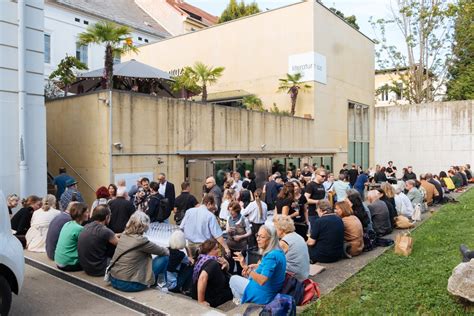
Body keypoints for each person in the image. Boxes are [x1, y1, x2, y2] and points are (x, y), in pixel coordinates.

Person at [110, 211, 169, 292]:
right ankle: (161, 284)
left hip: (113, 279)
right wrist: (168, 248)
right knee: (164, 258)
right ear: (144, 226)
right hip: (128, 285)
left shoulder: (123, 236)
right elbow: (164, 252)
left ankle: (159, 284)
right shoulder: (141, 241)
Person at [230, 225, 286, 305]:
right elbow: (271, 268)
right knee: (248, 274)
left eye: (262, 237)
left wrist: (246, 267)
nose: (257, 239)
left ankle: (241, 303)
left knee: (233, 279)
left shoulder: (271, 256)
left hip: (265, 294)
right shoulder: (278, 250)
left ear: (271, 240)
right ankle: (243, 300)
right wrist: (255, 266)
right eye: (258, 235)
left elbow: (262, 280)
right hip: (272, 290)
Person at [78, 205, 119, 276]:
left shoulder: (86, 226)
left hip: (86, 267)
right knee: (121, 260)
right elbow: (122, 245)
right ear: (107, 217)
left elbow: (103, 236)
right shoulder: (105, 231)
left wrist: (117, 235)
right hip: (98, 269)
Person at [192, 239, 233, 307]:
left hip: (209, 292)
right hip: (211, 297)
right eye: (216, 249)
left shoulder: (202, 258)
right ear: (209, 251)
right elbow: (202, 278)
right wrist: (201, 301)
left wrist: (226, 264)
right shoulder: (212, 263)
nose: (219, 250)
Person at [54, 202, 89, 271]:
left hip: (58, 261)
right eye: (87, 212)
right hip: (69, 264)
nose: (89, 214)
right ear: (81, 214)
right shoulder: (79, 229)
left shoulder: (67, 224)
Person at [274, 215, 309, 281]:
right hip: (304, 273)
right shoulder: (298, 236)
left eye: (275, 228)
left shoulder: (284, 242)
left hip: (294, 277)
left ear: (281, 229)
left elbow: (272, 259)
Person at [226, 202, 251, 275]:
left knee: (240, 267)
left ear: (237, 210)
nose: (230, 212)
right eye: (229, 210)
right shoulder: (229, 218)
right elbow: (227, 230)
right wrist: (228, 230)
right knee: (230, 267)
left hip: (240, 247)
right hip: (230, 246)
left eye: (232, 211)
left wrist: (240, 237)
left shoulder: (243, 219)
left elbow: (249, 232)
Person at [166, 230, 193, 294]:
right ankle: (186, 289)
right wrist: (188, 249)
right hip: (173, 286)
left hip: (164, 283)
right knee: (191, 267)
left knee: (183, 265)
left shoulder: (166, 250)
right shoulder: (180, 255)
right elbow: (192, 261)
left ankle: (184, 288)